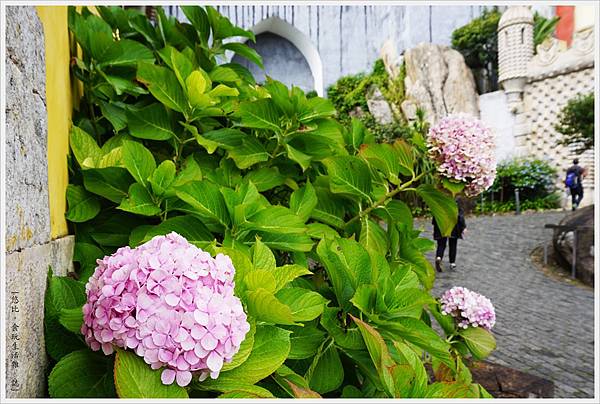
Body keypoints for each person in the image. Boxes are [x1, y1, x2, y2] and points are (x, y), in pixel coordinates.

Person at [433, 199, 466, 272]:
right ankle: (452, 263)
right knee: (453, 245)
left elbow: (435, 216)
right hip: (453, 226)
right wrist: (463, 227)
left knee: (441, 245)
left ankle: (439, 257)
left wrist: (435, 226)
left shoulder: (439, 201)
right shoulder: (455, 202)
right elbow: (460, 216)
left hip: (441, 225)